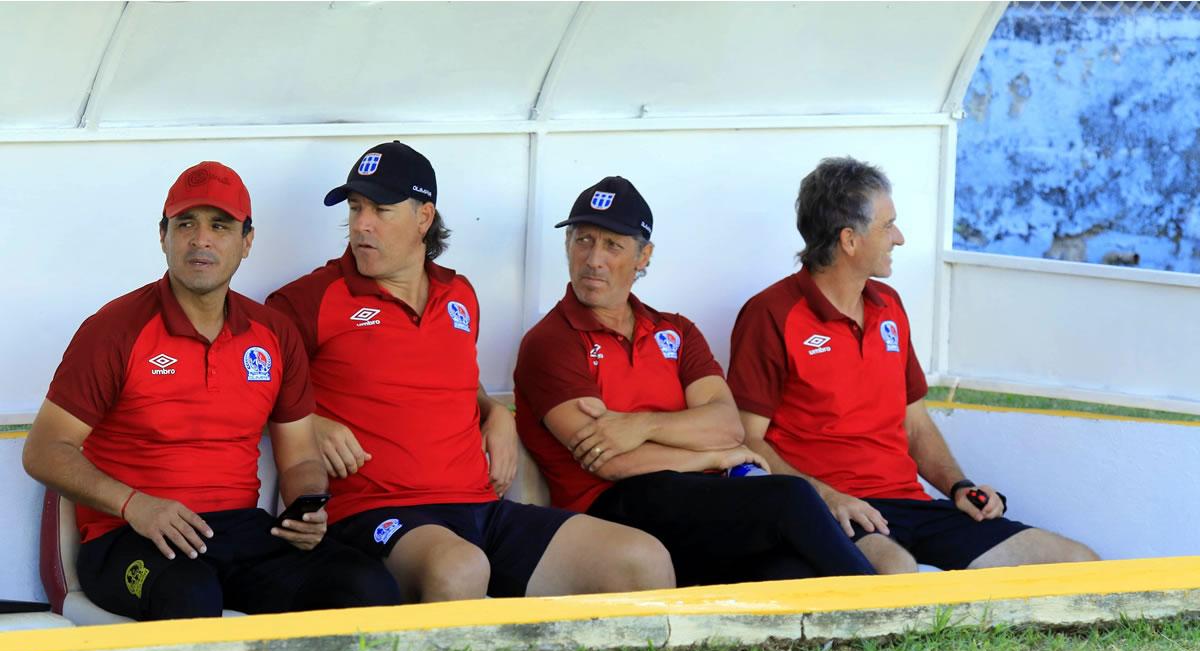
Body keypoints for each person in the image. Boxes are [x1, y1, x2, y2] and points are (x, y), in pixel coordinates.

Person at [266, 142, 674, 603]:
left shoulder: (459, 294)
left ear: (424, 218)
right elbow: (252, 388)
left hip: (480, 507)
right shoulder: (306, 300)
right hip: (378, 513)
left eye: (380, 209)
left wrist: (494, 412)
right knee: (460, 568)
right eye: (356, 207)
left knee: (642, 558)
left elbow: (451, 376)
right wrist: (310, 424)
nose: (361, 223)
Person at [22, 161, 403, 620]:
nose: (201, 239)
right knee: (190, 593)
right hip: (128, 536)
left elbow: (300, 458)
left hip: (237, 531)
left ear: (246, 242)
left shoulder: (274, 334)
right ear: (163, 237)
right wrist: (134, 504)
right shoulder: (114, 330)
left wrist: (306, 508)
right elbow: (43, 451)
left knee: (368, 584)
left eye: (220, 226)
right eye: (186, 224)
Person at [728, 156, 1100, 573]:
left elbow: (916, 424)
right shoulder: (771, 313)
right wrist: (825, 498)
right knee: (899, 574)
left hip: (912, 504)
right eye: (888, 226)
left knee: (1075, 562)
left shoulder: (890, 307)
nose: (898, 238)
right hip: (834, 513)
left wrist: (959, 486)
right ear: (849, 240)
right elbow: (748, 440)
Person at [513, 176, 876, 587]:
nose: (594, 258)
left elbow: (727, 425)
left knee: (785, 569)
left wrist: (640, 426)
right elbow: (611, 461)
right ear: (568, 246)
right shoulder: (550, 341)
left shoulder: (676, 330)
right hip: (610, 506)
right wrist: (712, 457)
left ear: (643, 256)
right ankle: (888, 614)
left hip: (691, 501)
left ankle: (868, 629)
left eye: (612, 245)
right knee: (790, 497)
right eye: (583, 240)